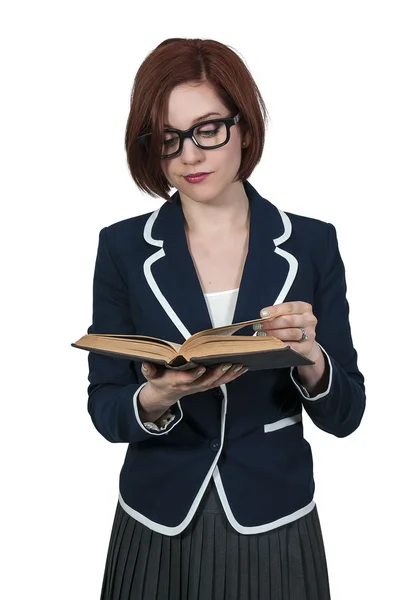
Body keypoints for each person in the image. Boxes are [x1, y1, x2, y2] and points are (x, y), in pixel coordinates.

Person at [85, 37, 366, 600]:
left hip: (275, 519)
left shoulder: (311, 244)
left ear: (244, 126)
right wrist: (157, 396)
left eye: (207, 129)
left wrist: (312, 359)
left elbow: (347, 414)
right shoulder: (121, 248)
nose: (189, 155)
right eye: (168, 139)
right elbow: (103, 407)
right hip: (156, 520)